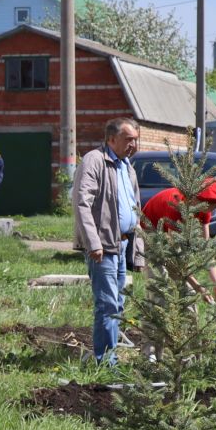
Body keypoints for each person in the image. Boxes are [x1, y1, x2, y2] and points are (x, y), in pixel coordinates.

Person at [72, 116, 145, 362]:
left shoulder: (127, 167)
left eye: (136, 139)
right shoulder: (95, 161)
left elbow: (136, 210)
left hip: (122, 244)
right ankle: (105, 361)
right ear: (111, 139)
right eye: (128, 139)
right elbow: (82, 203)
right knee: (107, 304)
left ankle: (108, 355)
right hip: (102, 246)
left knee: (118, 304)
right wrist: (93, 243)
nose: (133, 144)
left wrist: (139, 251)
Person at [141, 176, 216, 304]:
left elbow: (206, 250)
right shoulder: (177, 207)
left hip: (174, 235)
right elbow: (175, 258)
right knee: (159, 285)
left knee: (185, 290)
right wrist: (197, 286)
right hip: (151, 231)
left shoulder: (204, 207)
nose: (210, 211)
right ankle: (154, 321)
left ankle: (187, 322)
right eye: (209, 207)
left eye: (213, 207)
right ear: (196, 198)